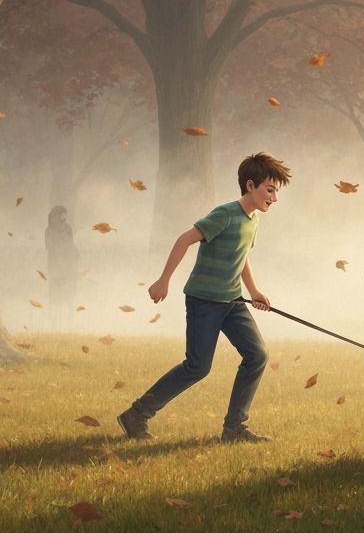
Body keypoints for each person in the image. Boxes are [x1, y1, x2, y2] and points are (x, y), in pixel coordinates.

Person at [117, 152, 292, 444]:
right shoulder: (224, 214)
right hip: (203, 301)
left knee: (257, 355)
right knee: (197, 366)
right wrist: (164, 280)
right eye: (270, 189)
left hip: (233, 302)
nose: (274, 197)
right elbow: (185, 239)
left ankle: (235, 428)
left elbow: (242, 256)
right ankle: (137, 414)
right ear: (250, 186)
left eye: (276, 191)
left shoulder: (253, 221)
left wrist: (254, 292)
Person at [45, 205, 79, 325]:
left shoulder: (68, 228)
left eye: (65, 215)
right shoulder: (49, 231)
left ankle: (69, 320)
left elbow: (71, 244)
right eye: (61, 215)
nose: (64, 218)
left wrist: (75, 254)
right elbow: (50, 248)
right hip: (56, 267)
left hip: (68, 267)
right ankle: (53, 320)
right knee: (55, 294)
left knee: (69, 293)